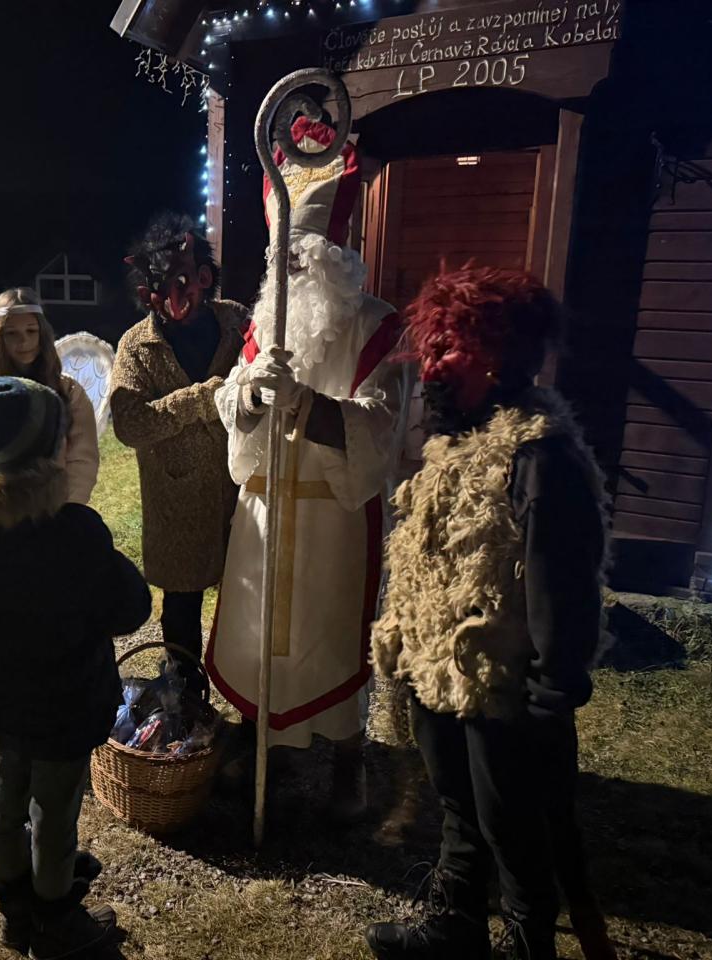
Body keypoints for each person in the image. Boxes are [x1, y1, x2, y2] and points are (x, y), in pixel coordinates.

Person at [366, 266, 611, 960]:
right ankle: (458, 926)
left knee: (514, 824)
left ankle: (530, 943)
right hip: (439, 669)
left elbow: (564, 581)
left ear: (500, 356)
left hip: (502, 686)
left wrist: (552, 688)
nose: (430, 367)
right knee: (458, 805)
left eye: (449, 349)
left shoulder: (539, 456)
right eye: (430, 347)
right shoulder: (453, 443)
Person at [207, 117, 412, 819]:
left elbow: (384, 424)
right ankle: (256, 736)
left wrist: (310, 407)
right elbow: (230, 402)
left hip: (333, 515)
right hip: (264, 509)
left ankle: (348, 757)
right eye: (284, 256)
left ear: (336, 256)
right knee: (255, 632)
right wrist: (250, 395)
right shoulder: (264, 325)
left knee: (330, 635)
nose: (292, 268)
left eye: (305, 255)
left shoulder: (377, 325)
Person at [0, 376, 150, 959]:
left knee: (4, 801)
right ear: (47, 451)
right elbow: (131, 608)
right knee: (54, 815)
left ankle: (14, 908)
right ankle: (55, 917)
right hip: (66, 702)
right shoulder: (71, 533)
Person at [112, 213, 248, 680]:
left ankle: (247, 700)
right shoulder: (137, 345)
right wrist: (204, 398)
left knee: (246, 603)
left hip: (240, 493)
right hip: (177, 502)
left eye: (183, 279)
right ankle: (184, 698)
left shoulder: (238, 324)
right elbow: (130, 423)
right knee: (182, 611)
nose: (174, 296)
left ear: (204, 276)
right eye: (159, 284)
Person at [0, 287, 100, 504]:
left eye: (31, 331)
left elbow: (83, 459)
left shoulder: (68, 390)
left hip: (54, 504)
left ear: (42, 334)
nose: (24, 341)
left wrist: (69, 507)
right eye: (11, 333)